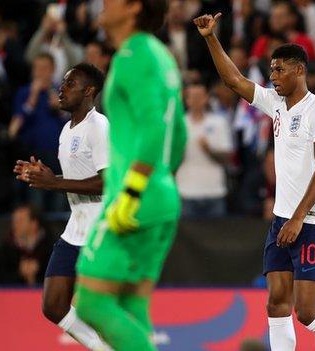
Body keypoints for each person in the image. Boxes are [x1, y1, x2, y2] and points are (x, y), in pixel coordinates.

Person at [195, 12, 315, 351]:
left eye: (279, 69)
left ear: (300, 70)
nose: (272, 76)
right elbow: (234, 81)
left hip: (312, 221)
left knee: (306, 312)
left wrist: (299, 217)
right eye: (271, 69)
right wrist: (210, 38)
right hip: (283, 220)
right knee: (276, 303)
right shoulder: (276, 104)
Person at [74, 1, 187, 350]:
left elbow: (155, 127)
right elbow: (178, 133)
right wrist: (159, 182)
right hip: (161, 196)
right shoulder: (161, 54)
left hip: (132, 199)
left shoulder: (130, 57)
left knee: (90, 303)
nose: (103, 4)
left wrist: (135, 190)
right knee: (131, 304)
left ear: (134, 7)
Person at [13, 63, 108, 350]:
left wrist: (53, 183)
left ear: (89, 91)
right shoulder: (66, 129)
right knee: (53, 306)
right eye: (63, 82)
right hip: (75, 229)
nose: (61, 88)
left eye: (70, 84)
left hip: (100, 232)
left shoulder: (98, 125)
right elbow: (76, 178)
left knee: (98, 311)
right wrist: (46, 176)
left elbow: (107, 182)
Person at [176, 81, 233, 218]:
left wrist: (209, 150)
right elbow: (170, 160)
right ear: (187, 100)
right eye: (192, 97)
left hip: (214, 192)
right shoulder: (179, 124)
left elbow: (227, 158)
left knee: (217, 239)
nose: (196, 100)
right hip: (186, 192)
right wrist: (178, 151)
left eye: (199, 96)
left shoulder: (219, 122)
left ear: (206, 98)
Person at [0, 204, 54, 286]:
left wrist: (35, 276)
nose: (15, 225)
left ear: (34, 224)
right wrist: (20, 273)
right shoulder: (6, 248)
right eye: (14, 221)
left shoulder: (51, 247)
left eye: (20, 221)